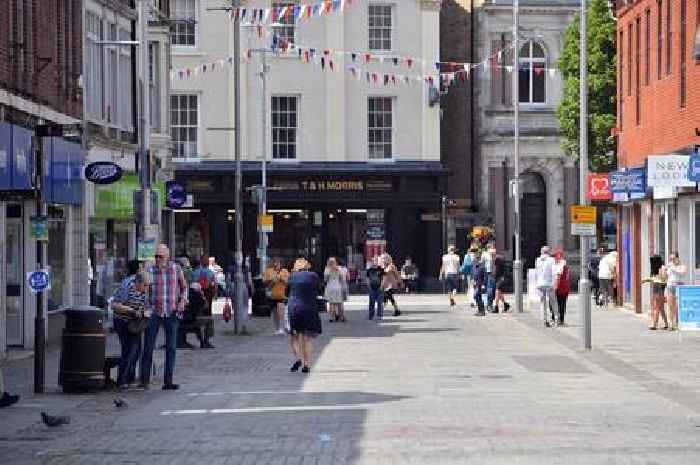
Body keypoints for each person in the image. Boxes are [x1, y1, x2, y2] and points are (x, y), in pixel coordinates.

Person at [140, 244, 188, 391]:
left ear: (167, 257)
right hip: (155, 311)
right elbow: (144, 289)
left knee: (171, 348)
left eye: (160, 256)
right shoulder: (150, 270)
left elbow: (184, 287)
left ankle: (168, 381)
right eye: (156, 256)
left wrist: (183, 301)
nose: (158, 259)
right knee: (148, 346)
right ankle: (145, 381)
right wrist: (146, 307)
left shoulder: (176, 269)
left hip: (172, 311)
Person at [111, 271, 149, 389]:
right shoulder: (127, 287)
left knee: (137, 351)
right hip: (122, 321)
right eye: (145, 285)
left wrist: (145, 312)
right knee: (128, 350)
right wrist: (131, 311)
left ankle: (129, 377)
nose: (146, 288)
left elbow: (147, 305)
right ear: (138, 283)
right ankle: (122, 380)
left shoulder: (145, 290)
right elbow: (115, 305)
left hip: (135, 323)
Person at [286, 258, 323, 373]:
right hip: (309, 308)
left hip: (295, 308)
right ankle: (306, 364)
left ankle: (298, 358)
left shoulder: (292, 277)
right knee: (307, 338)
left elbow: (286, 293)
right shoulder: (313, 276)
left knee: (294, 336)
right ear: (307, 266)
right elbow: (320, 290)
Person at [192, 256, 217, 346]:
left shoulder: (194, 273)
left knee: (198, 317)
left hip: (195, 302)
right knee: (208, 319)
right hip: (207, 300)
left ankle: (201, 338)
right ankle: (205, 340)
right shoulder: (210, 273)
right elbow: (214, 286)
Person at [264, 259, 291, 334]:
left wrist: (281, 279)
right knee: (275, 313)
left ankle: (283, 328)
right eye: (275, 263)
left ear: (281, 264)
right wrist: (272, 281)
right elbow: (266, 283)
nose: (276, 264)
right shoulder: (269, 271)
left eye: (278, 263)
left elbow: (288, 283)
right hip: (273, 296)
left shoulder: (285, 271)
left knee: (281, 312)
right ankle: (277, 328)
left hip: (282, 295)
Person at [643, 255, 669, 330]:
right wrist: (649, 279)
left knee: (657, 307)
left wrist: (650, 279)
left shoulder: (662, 268)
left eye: (653, 261)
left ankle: (654, 324)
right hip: (655, 288)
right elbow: (656, 278)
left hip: (660, 288)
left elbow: (663, 279)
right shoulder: (655, 269)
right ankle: (666, 323)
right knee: (660, 308)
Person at [535, 246, 559, 327]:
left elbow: (537, 272)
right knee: (553, 301)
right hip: (549, 283)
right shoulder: (551, 260)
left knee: (543, 303)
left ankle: (544, 320)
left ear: (542, 252)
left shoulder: (538, 260)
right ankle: (556, 319)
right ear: (548, 252)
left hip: (540, 284)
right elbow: (554, 272)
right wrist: (555, 283)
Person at [666, 252, 686, 331]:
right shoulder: (670, 266)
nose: (672, 260)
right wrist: (664, 269)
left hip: (679, 286)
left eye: (673, 258)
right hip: (670, 286)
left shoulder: (682, 266)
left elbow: (683, 273)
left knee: (678, 306)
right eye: (671, 259)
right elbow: (666, 276)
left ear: (677, 258)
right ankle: (671, 324)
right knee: (670, 305)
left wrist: (673, 268)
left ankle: (678, 323)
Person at [324, 257, 346, 322]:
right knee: (340, 303)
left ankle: (331, 317)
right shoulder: (339, 269)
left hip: (330, 286)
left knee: (331, 303)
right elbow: (342, 279)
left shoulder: (327, 269)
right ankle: (341, 317)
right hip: (338, 286)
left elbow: (325, 280)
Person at [553, 250, 571, 326]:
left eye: (555, 256)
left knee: (555, 304)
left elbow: (558, 276)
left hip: (559, 287)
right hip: (565, 288)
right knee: (562, 304)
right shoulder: (566, 266)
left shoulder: (559, 265)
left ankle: (555, 319)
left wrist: (555, 286)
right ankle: (561, 320)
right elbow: (568, 277)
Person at [481, 245, 497, 312]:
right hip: (488, 273)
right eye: (491, 248)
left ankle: (489, 304)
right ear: (488, 248)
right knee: (489, 289)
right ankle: (489, 305)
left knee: (493, 289)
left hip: (494, 273)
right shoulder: (484, 254)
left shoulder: (494, 254)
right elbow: (482, 263)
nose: (492, 249)